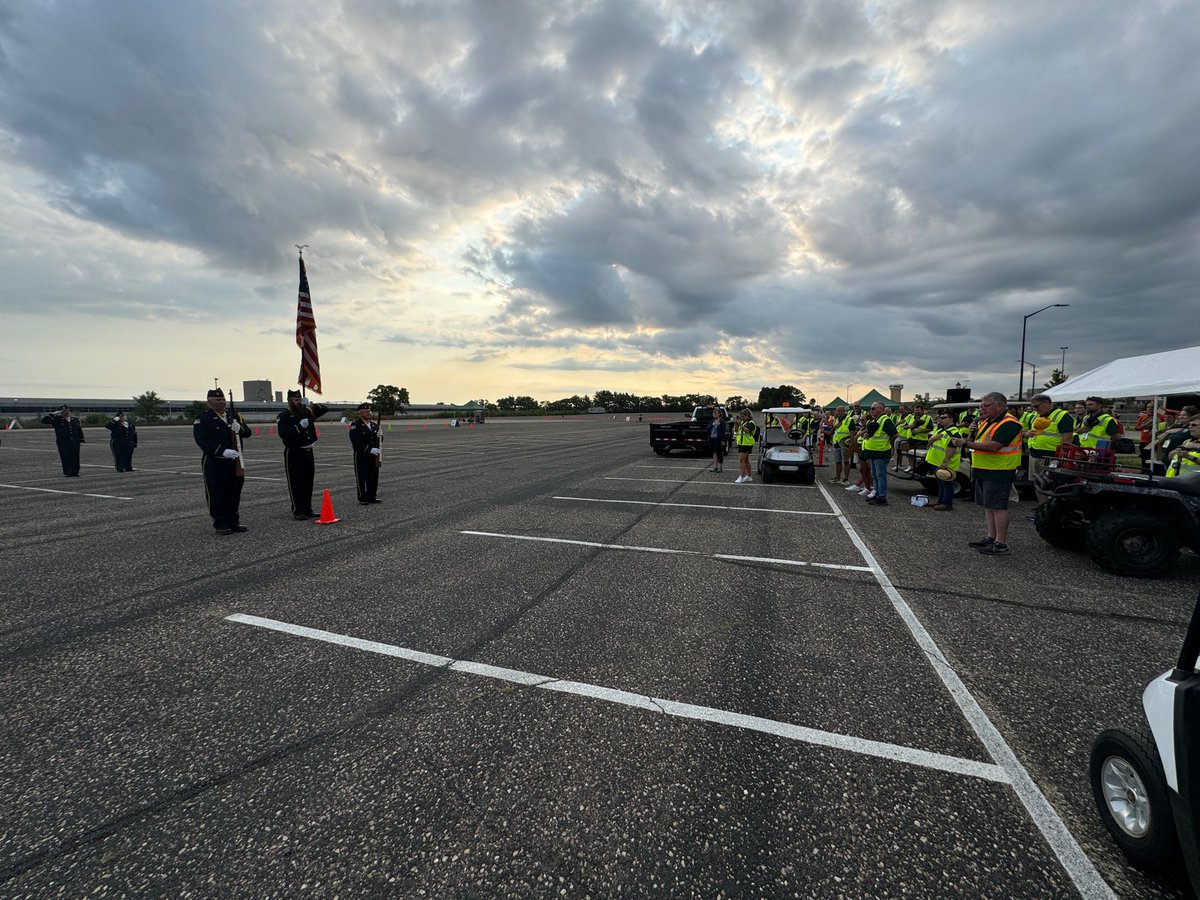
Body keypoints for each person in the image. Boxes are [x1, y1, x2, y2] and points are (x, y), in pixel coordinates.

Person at [955, 392, 1022, 555]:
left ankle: (1000, 543)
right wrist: (971, 434)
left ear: (1000, 405)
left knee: (998, 506)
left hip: (999, 470)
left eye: (986, 405)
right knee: (988, 505)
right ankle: (991, 537)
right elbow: (979, 443)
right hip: (983, 469)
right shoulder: (987, 422)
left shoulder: (1009, 424)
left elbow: (994, 446)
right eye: (981, 406)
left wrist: (965, 442)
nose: (982, 409)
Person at [193, 388, 250, 535]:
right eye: (218, 399)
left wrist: (240, 429)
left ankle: (233, 522)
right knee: (217, 494)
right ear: (209, 401)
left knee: (234, 493)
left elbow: (248, 433)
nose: (222, 402)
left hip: (235, 462)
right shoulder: (203, 419)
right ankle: (221, 523)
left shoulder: (234, 416)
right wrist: (222, 451)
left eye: (223, 399)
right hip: (215, 462)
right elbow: (202, 441)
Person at [277, 389, 330, 519]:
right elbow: (284, 434)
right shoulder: (284, 415)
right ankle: (298, 509)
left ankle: (307, 508)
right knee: (296, 482)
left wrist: (312, 405)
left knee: (308, 481)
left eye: (300, 399)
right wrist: (299, 427)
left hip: (307, 451)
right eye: (296, 400)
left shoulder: (307, 412)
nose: (298, 402)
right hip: (294, 451)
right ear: (289, 401)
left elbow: (325, 409)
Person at [1023, 394, 1074, 518]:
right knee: (1038, 483)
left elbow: (1067, 437)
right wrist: (1026, 433)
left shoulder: (1062, 416)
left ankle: (1053, 511)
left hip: (1052, 457)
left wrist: (1061, 457)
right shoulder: (1035, 416)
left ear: (1047, 402)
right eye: (1033, 406)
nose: (1035, 409)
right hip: (1035, 454)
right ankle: (1043, 509)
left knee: (1052, 485)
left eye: (1037, 406)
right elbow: (1025, 432)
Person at [926, 412, 964, 511]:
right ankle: (940, 501)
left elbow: (952, 448)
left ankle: (947, 503)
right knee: (940, 483)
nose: (940, 419)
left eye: (943, 418)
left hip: (945, 463)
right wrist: (933, 438)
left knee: (946, 483)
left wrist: (945, 461)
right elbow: (929, 442)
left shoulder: (954, 432)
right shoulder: (941, 430)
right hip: (935, 461)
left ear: (951, 419)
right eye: (940, 418)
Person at [860, 402, 897, 505]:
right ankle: (877, 494)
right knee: (875, 475)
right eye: (871, 408)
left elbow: (894, 434)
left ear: (880, 409)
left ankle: (882, 497)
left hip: (881, 452)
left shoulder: (885, 420)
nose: (871, 410)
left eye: (873, 408)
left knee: (880, 475)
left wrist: (887, 444)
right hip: (873, 452)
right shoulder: (876, 420)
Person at [349, 402, 384, 504]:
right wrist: (369, 449)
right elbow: (355, 441)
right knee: (362, 477)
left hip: (373, 455)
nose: (369, 413)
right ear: (360, 413)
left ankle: (372, 496)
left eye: (369, 411)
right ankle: (362, 497)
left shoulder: (374, 425)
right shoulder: (356, 425)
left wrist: (380, 436)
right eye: (366, 411)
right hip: (361, 455)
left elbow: (379, 441)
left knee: (373, 476)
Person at [40, 405, 85, 476]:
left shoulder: (75, 419)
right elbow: (44, 420)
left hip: (74, 441)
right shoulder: (57, 419)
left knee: (75, 457)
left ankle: (75, 472)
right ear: (60, 412)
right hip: (63, 442)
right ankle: (68, 472)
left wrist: (81, 440)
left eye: (68, 410)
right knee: (66, 457)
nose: (66, 412)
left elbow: (79, 430)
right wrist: (54, 413)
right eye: (64, 411)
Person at [1135, 401, 1166, 469]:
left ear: (1156, 408)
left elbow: (1163, 429)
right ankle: (1144, 471)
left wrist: (1155, 426)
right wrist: (1145, 425)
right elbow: (1137, 428)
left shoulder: (1161, 417)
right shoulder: (1142, 417)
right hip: (1144, 441)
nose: (1150, 408)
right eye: (1148, 407)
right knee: (1144, 458)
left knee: (1155, 459)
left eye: (1152, 407)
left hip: (1155, 442)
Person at [733, 409, 758, 483]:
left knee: (742, 460)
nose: (740, 417)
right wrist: (736, 424)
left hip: (747, 443)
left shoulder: (751, 423)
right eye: (740, 415)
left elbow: (747, 430)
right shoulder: (743, 422)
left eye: (742, 415)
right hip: (741, 443)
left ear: (747, 415)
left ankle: (741, 476)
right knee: (746, 460)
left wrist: (740, 424)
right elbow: (737, 431)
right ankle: (749, 476)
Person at [829, 406, 851, 483]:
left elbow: (853, 432)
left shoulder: (849, 419)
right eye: (837, 411)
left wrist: (850, 441)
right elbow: (835, 431)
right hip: (837, 443)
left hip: (845, 443)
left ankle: (846, 479)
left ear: (844, 411)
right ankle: (837, 478)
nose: (838, 412)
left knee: (846, 461)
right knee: (838, 461)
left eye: (840, 411)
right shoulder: (836, 420)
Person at [707, 408, 727, 473]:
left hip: (719, 440)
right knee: (714, 453)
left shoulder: (722, 421)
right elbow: (707, 429)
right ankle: (715, 467)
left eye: (715, 413)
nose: (714, 414)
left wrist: (723, 440)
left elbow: (724, 432)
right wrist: (713, 425)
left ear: (719, 414)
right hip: (712, 439)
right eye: (713, 413)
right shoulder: (712, 421)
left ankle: (720, 468)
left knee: (719, 453)